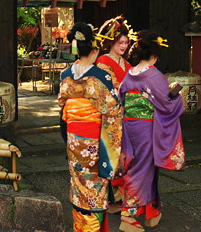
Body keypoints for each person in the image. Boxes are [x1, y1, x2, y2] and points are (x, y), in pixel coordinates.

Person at [58, 22, 123, 232]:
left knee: (78, 188)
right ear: (94, 50)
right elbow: (113, 114)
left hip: (74, 141)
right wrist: (116, 150)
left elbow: (63, 114)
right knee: (94, 190)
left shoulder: (65, 75)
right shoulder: (100, 76)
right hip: (94, 144)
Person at [117, 30, 185, 232]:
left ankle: (151, 212)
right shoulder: (154, 76)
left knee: (139, 167)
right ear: (154, 55)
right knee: (141, 170)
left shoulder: (129, 74)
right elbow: (167, 105)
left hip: (128, 127)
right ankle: (128, 216)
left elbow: (121, 98)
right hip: (146, 129)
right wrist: (176, 97)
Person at [95, 16, 132, 213]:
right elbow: (107, 89)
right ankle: (112, 198)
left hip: (127, 115)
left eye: (126, 43)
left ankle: (123, 196)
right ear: (111, 42)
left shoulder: (125, 63)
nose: (124, 46)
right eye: (120, 42)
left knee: (126, 156)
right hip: (111, 116)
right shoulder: (103, 61)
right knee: (112, 155)